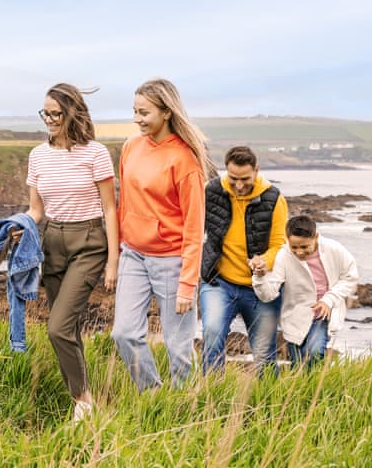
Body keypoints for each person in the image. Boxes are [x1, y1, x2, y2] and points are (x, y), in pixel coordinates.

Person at [22, 82, 119, 422]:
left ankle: (84, 401)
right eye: (44, 113)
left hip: (89, 243)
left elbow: (110, 208)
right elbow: (36, 209)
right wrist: (19, 225)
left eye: (55, 113)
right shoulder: (37, 155)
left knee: (57, 328)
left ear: (72, 112)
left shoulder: (95, 153)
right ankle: (82, 402)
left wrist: (113, 261)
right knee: (69, 327)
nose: (48, 119)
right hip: (52, 242)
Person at [111, 78, 211, 391]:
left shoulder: (185, 160)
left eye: (144, 113)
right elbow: (122, 204)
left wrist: (187, 285)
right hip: (134, 256)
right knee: (124, 334)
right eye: (135, 112)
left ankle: (183, 408)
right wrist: (115, 256)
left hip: (172, 261)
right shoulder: (131, 147)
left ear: (166, 112)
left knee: (178, 347)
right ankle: (153, 394)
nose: (137, 119)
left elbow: (195, 229)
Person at [200, 146, 288, 376]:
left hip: (259, 287)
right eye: (233, 178)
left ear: (256, 170)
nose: (239, 185)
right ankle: (211, 399)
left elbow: (280, 244)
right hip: (219, 281)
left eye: (245, 179)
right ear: (226, 171)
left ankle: (270, 408)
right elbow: (194, 227)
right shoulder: (212, 191)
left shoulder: (274, 198)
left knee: (265, 354)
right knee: (211, 335)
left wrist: (264, 260)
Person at [252, 215, 359, 369]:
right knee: (298, 365)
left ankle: (312, 388)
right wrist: (260, 277)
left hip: (323, 315)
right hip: (296, 318)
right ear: (287, 239)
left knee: (314, 352)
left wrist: (328, 300)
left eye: (304, 247)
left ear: (316, 237)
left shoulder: (334, 249)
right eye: (294, 247)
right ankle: (303, 391)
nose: (299, 252)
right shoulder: (283, 256)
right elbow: (268, 294)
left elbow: (351, 277)